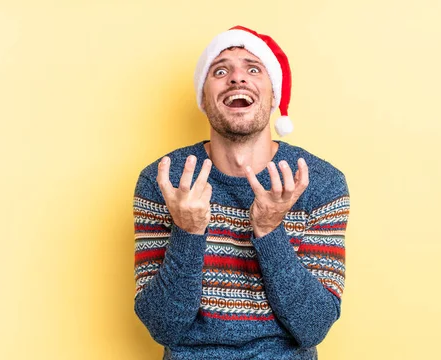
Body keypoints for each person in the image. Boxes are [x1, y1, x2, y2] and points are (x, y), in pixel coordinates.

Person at [133, 25, 350, 360]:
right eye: (220, 70)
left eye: (253, 68)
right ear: (203, 99)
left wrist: (269, 230)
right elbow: (164, 327)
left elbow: (313, 327)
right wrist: (188, 231)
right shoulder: (163, 181)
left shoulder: (318, 182)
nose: (237, 78)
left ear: (274, 94)